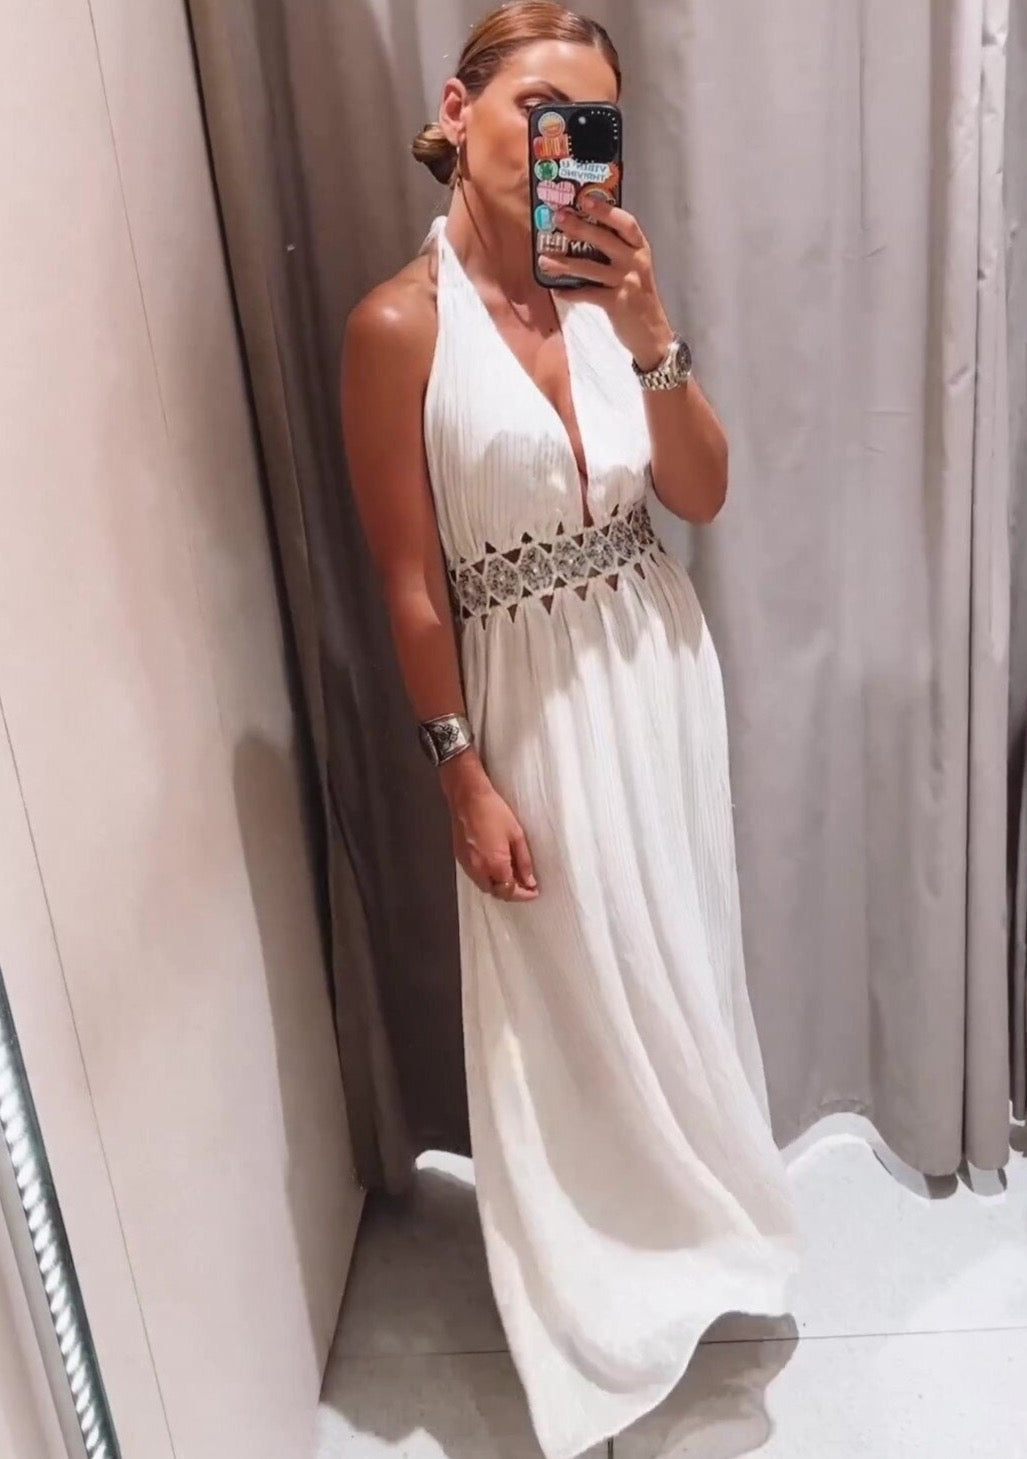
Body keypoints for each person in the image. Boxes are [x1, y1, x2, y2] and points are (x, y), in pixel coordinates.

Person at [340, 5, 801, 1456]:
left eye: (587, 122)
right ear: (456, 109)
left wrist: (651, 333)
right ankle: (597, 1297)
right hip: (525, 694)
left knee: (674, 963)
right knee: (564, 1003)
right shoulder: (399, 326)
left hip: (657, 668)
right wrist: (459, 773)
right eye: (534, 107)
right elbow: (412, 584)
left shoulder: (607, 293)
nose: (559, 145)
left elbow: (702, 493)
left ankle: (701, 1241)